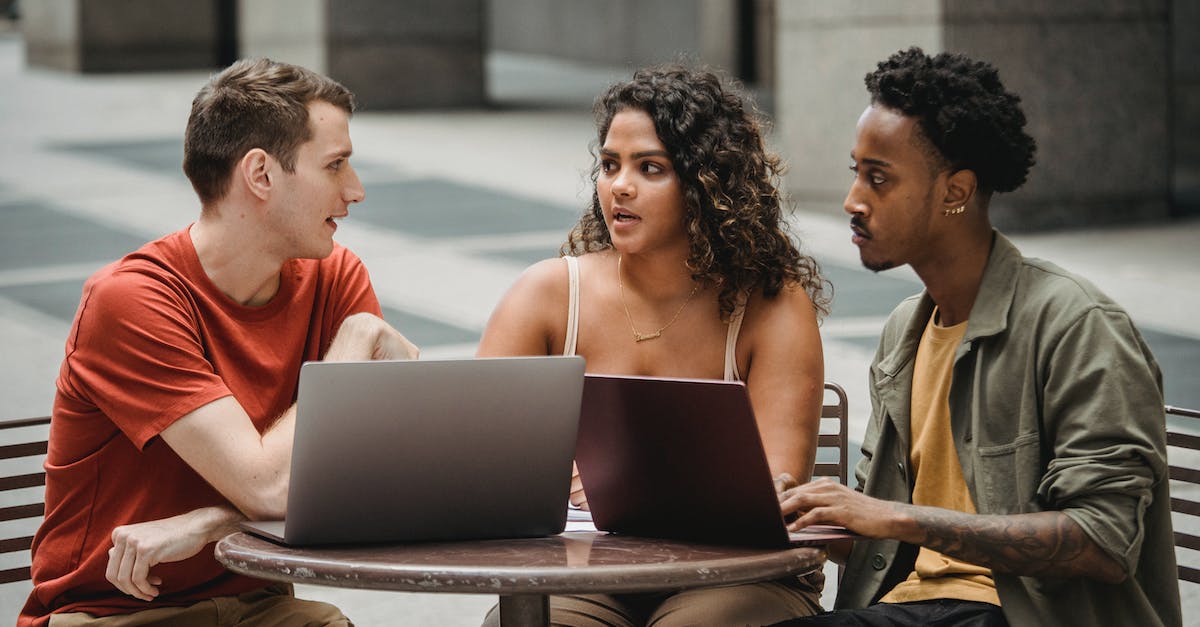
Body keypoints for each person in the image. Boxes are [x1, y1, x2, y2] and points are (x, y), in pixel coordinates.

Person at [772, 47, 1182, 627]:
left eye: (879, 178)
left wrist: (895, 516)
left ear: (954, 192)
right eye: (856, 172)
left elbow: (1104, 540)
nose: (852, 201)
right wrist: (802, 515)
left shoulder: (1076, 325)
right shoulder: (903, 334)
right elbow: (882, 539)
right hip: (914, 609)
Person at [20, 58, 418, 627]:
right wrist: (352, 349)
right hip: (114, 613)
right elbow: (270, 487)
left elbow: (379, 481)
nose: (355, 190)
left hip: (262, 607)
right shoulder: (133, 301)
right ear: (260, 174)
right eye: (335, 166)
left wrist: (213, 523)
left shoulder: (334, 276)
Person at [476, 64, 830, 627]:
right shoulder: (547, 293)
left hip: (735, 573)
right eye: (610, 165)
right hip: (584, 573)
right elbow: (478, 450)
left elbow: (774, 485)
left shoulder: (771, 305)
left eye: (651, 168)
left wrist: (612, 483)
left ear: (707, 184)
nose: (620, 185)